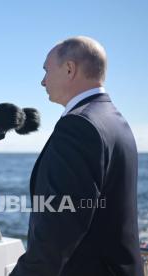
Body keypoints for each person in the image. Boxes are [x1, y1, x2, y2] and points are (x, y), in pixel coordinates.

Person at [10, 36, 143, 276]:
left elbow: (59, 230)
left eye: (46, 71)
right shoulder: (114, 119)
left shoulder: (79, 125)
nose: (42, 81)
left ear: (69, 69)